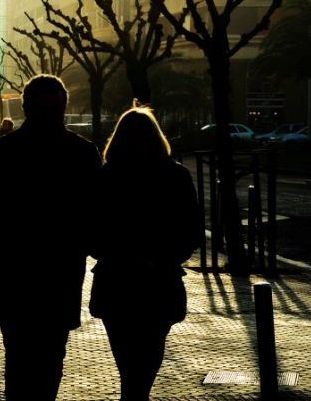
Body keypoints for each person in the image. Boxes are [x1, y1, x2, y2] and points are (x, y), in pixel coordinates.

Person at [0, 74, 101, 401]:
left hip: (14, 276)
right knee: (50, 361)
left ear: (23, 107)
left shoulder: (2, 153)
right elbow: (98, 219)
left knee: (19, 362)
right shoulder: (81, 154)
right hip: (60, 276)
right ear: (63, 108)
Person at [88, 104, 199, 401]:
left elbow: (92, 233)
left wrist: (120, 256)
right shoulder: (176, 176)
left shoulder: (106, 177)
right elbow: (190, 232)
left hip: (116, 283)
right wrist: (159, 259)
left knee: (127, 363)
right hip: (159, 283)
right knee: (148, 360)